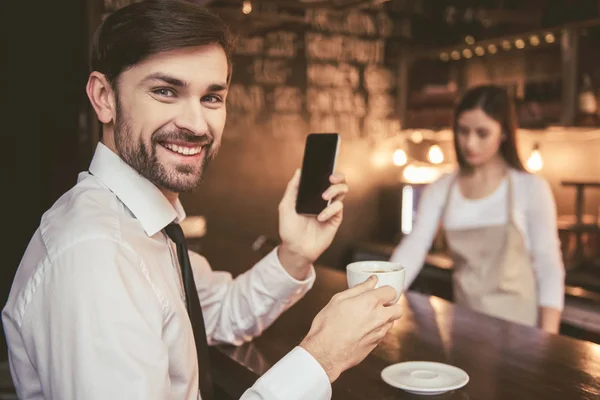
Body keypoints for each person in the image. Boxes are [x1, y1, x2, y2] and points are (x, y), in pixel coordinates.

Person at [2, 1, 403, 399]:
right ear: (104, 97)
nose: (196, 124)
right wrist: (321, 359)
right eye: (164, 91)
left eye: (212, 98)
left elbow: (219, 314)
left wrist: (295, 253)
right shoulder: (96, 255)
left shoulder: (145, 224)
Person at [391, 85, 564, 333]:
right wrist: (382, 297)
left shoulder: (530, 188)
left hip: (520, 332)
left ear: (504, 133)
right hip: (464, 326)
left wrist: (549, 338)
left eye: (482, 133)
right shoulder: (442, 188)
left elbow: (549, 266)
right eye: (463, 131)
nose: (470, 143)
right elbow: (414, 247)